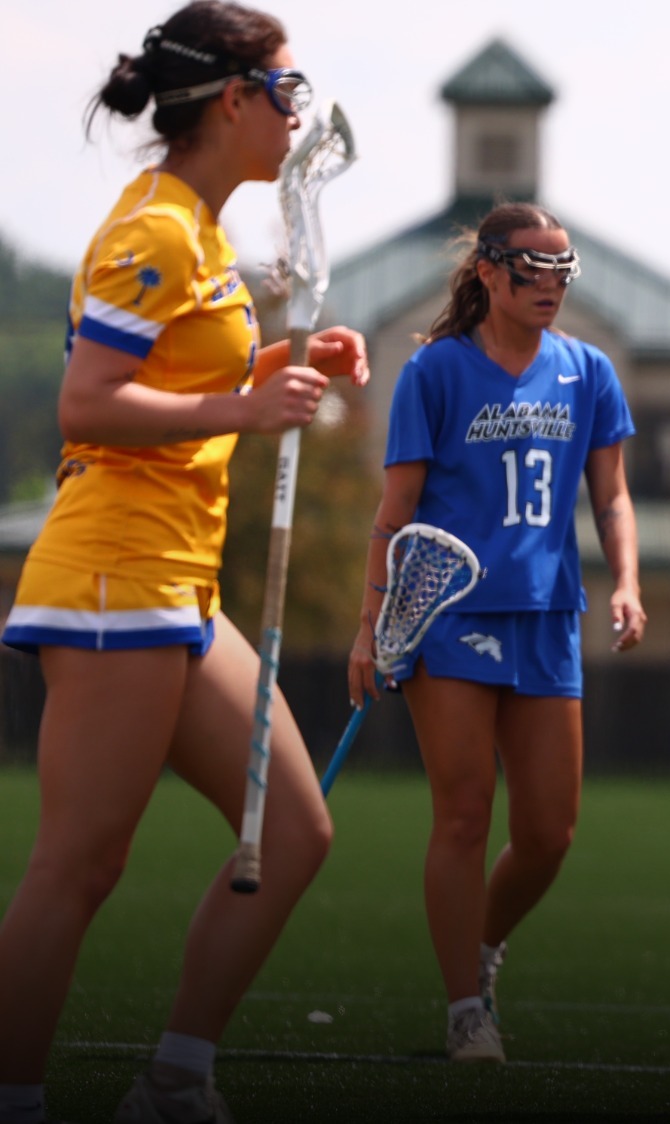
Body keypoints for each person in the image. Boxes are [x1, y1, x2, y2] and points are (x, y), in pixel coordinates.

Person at [0, 5, 365, 1122]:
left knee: (295, 831)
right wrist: (249, 403)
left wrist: (278, 360)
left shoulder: (201, 231)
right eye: (287, 94)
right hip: (114, 575)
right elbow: (89, 402)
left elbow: (173, 377)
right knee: (79, 864)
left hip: (178, 585)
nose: (298, 116)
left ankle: (173, 1077)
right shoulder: (153, 229)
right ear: (232, 100)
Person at [347, 201, 644, 1063]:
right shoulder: (435, 371)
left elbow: (612, 495)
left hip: (549, 616)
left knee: (550, 832)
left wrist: (625, 580)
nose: (551, 286)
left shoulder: (588, 370)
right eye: (533, 270)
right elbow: (394, 512)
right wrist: (371, 625)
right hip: (449, 622)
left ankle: (478, 948)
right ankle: (463, 1010)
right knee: (465, 817)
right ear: (488, 273)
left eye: (563, 272)